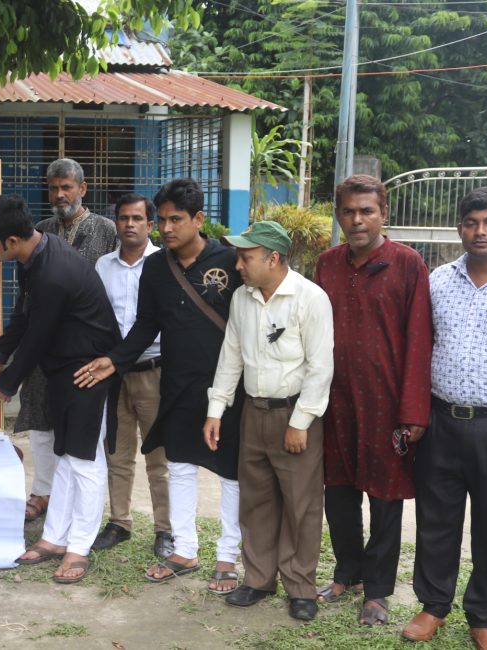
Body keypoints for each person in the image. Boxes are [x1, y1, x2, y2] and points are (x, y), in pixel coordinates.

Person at [78, 178, 243, 592]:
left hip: (228, 385)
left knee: (229, 472)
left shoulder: (230, 260)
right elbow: (146, 325)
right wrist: (113, 361)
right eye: (164, 220)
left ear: (198, 219)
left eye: (176, 220)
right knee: (180, 466)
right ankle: (185, 549)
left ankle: (228, 556)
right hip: (178, 382)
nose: (167, 228)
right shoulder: (156, 267)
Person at [401, 187, 487, 650]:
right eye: (471, 222)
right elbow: (421, 348)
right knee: (435, 520)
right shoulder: (438, 280)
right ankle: (433, 606)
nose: (480, 231)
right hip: (442, 422)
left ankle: (483, 618)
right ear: (460, 227)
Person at [0, 194, 120, 585]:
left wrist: (7, 383)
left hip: (89, 369)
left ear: (11, 241)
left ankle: (79, 546)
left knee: (85, 461)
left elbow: (38, 335)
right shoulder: (35, 254)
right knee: (65, 455)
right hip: (63, 368)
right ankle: (55, 537)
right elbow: (26, 314)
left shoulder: (54, 271)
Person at [312, 175, 431, 626]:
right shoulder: (327, 263)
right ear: (338, 214)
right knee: (337, 491)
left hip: (387, 405)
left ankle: (378, 591)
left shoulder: (407, 263)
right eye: (348, 211)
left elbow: (420, 339)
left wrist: (414, 411)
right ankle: (348, 572)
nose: (357, 220)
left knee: (385, 499)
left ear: (384, 213)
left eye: (367, 211)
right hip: (334, 401)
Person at [203, 220, 333, 621]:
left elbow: (320, 366)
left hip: (293, 416)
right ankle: (258, 579)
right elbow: (232, 355)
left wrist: (301, 420)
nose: (238, 265)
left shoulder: (310, 298)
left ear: (273, 258)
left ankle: (300, 586)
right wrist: (216, 409)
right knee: (255, 502)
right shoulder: (243, 298)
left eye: (246, 257)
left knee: (301, 505)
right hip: (252, 413)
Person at [21, 158, 118, 522]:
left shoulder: (107, 229)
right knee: (40, 418)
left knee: (83, 432)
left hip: (87, 348)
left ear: (83, 188)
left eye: (67, 187)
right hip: (45, 344)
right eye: (53, 188)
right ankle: (42, 492)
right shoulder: (40, 230)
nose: (60, 195)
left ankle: (81, 505)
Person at [87, 193, 171, 553]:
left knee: (159, 458)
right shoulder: (103, 266)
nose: (130, 224)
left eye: (138, 218)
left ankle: (165, 530)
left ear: (150, 225)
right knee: (117, 454)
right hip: (114, 375)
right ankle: (120, 522)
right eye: (124, 218)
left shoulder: (164, 264)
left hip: (155, 370)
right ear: (116, 223)